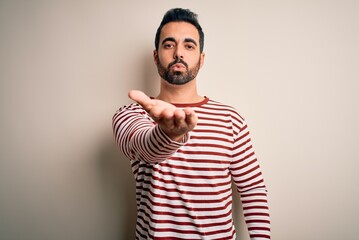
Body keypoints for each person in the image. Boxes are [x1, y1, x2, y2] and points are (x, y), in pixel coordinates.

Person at [112, 8, 271, 240]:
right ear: (156, 56)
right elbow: (145, 148)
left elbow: (252, 189)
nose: (178, 53)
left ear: (201, 58)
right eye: (169, 45)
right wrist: (168, 135)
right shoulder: (130, 114)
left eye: (189, 45)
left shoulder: (230, 119)